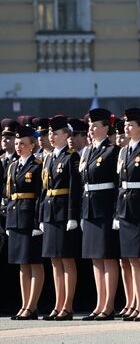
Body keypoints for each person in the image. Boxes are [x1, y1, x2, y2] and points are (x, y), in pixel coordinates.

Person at [39, 116, 83, 321]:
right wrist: (40, 216)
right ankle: (58, 304)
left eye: (56, 133)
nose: (52, 136)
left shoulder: (71, 157)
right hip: (49, 212)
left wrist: (72, 216)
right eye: (50, 133)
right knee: (55, 261)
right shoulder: (48, 158)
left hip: (63, 212)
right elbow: (44, 189)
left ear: (66, 135)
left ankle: (68, 305)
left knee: (67, 260)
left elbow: (75, 189)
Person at [116, 108, 140, 321]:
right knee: (130, 260)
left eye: (131, 124)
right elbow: (119, 185)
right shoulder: (123, 152)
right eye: (125, 124)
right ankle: (135, 302)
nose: (127, 127)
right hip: (125, 209)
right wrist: (117, 213)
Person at [80, 108, 120, 321]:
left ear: (106, 128)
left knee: (108, 258)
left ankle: (109, 305)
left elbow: (117, 186)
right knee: (96, 259)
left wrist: (115, 213)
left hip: (105, 207)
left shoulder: (112, 151)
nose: (92, 129)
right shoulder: (88, 151)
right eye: (90, 125)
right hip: (90, 207)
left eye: (96, 125)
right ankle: (99, 303)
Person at [6, 125, 44, 320]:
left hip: (30, 218)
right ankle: (25, 304)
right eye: (17, 143)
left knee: (34, 262)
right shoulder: (13, 166)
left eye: (23, 143)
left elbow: (40, 196)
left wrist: (38, 223)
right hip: (15, 217)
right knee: (22, 264)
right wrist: (8, 223)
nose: (18, 146)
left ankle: (32, 305)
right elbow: (10, 195)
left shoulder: (37, 166)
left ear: (32, 145)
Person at [0, 119, 20, 255]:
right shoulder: (2, 159)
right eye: (3, 137)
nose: (4, 140)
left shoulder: (18, 161)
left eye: (8, 138)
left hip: (13, 209)